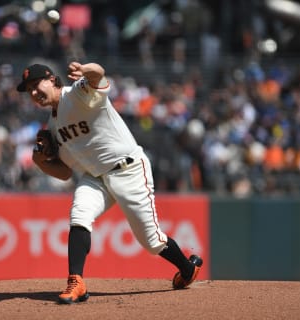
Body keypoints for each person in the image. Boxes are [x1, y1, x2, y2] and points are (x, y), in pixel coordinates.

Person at [16, 62, 203, 304]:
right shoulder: (52, 127)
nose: (33, 92)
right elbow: (64, 173)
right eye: (28, 89)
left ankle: (187, 270)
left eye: (36, 84)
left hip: (129, 169)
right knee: (79, 215)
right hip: (96, 177)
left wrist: (87, 70)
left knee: (152, 241)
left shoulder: (78, 94)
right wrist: (40, 162)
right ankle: (76, 282)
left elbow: (99, 74)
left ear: (51, 79)